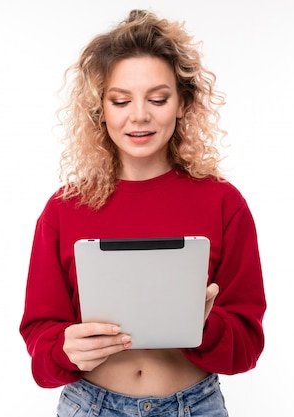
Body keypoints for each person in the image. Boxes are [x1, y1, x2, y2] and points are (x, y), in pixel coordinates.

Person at [20, 9, 266, 417]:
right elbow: (40, 341)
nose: (139, 115)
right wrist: (64, 348)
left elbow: (247, 346)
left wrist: (200, 325)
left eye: (158, 98)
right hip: (91, 406)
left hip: (195, 406)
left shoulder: (223, 203)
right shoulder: (64, 209)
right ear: (101, 109)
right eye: (121, 100)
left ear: (182, 103)